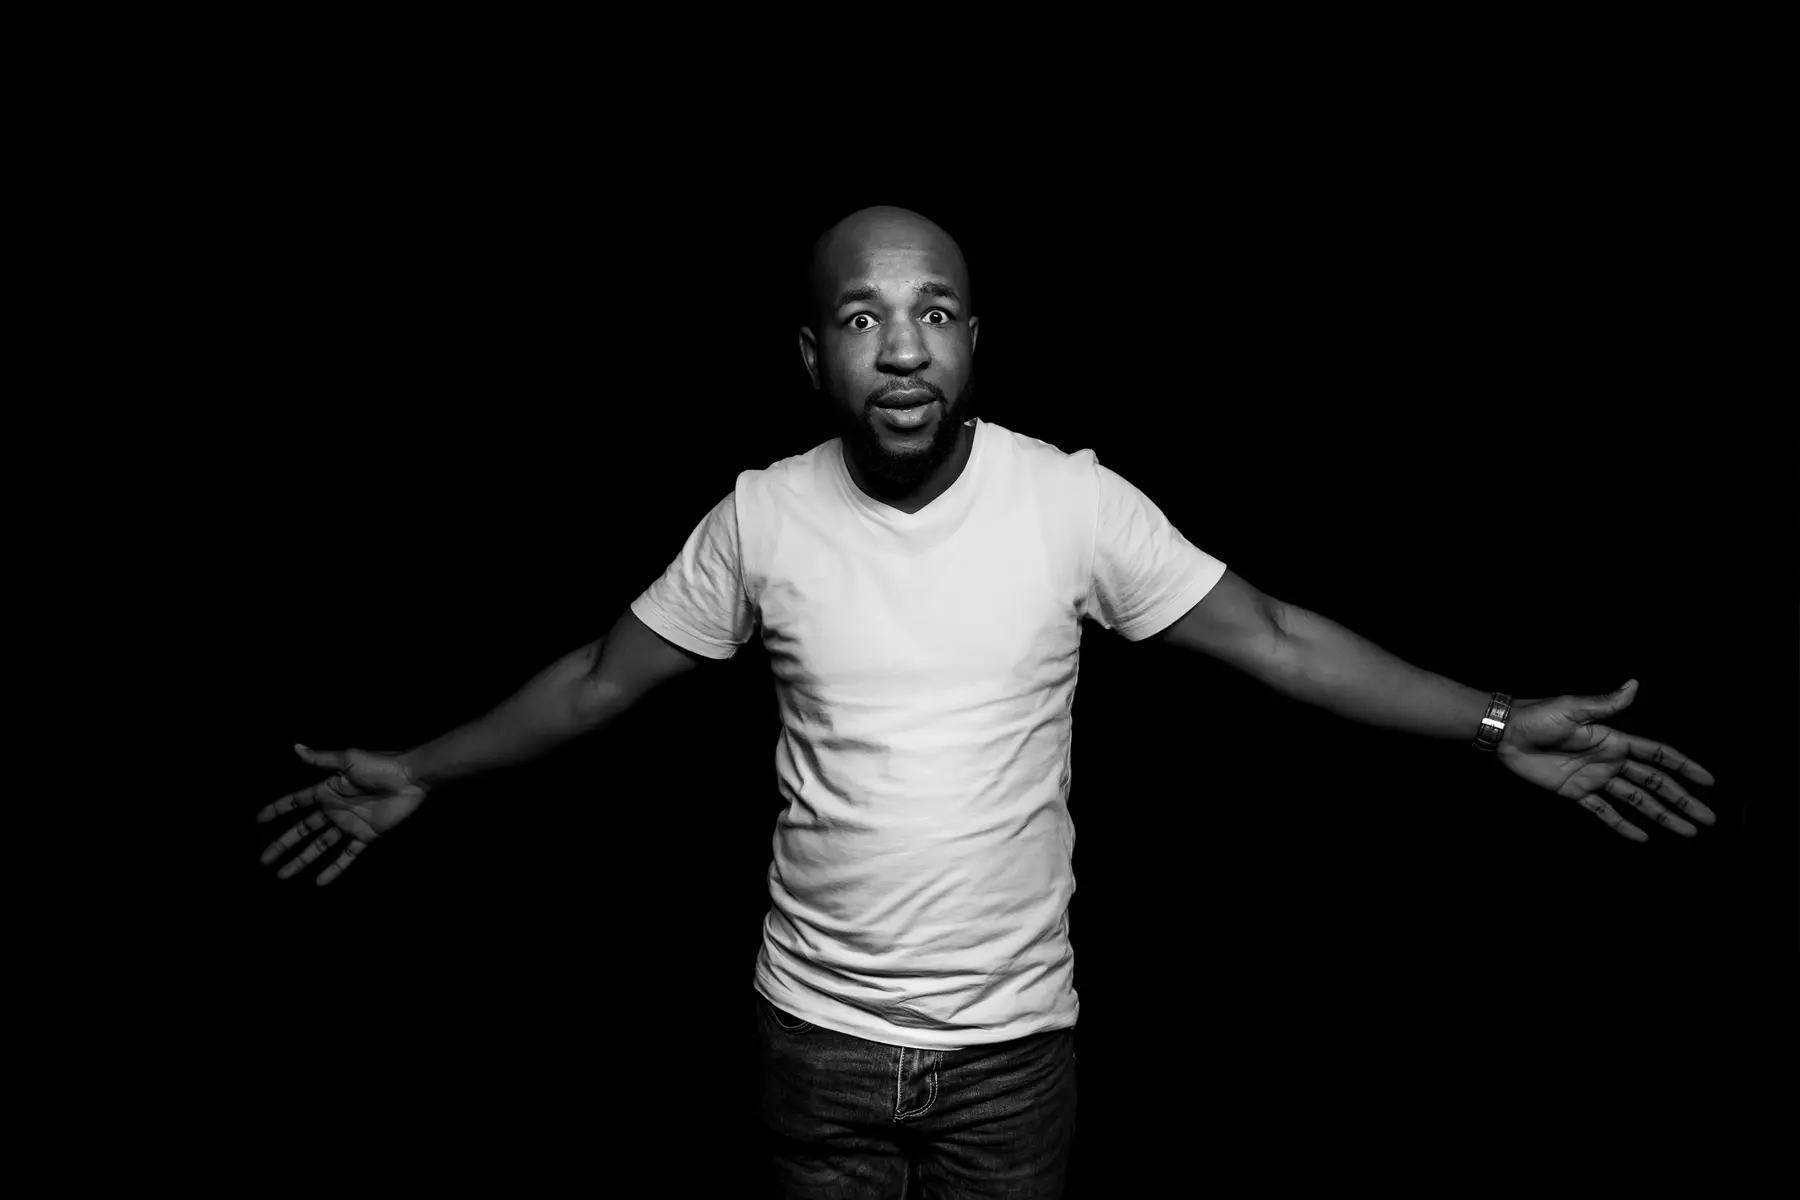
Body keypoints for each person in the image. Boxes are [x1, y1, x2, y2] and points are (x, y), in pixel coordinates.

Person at [255, 205, 1720, 1199]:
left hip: (1017, 1057)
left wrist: (1491, 722)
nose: (902, 347)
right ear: (814, 355)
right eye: (863, 317)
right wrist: (422, 768)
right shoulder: (761, 518)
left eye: (934, 312)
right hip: (810, 1042)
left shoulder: (1068, 503)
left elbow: (1277, 640)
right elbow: (594, 684)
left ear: (971, 338)